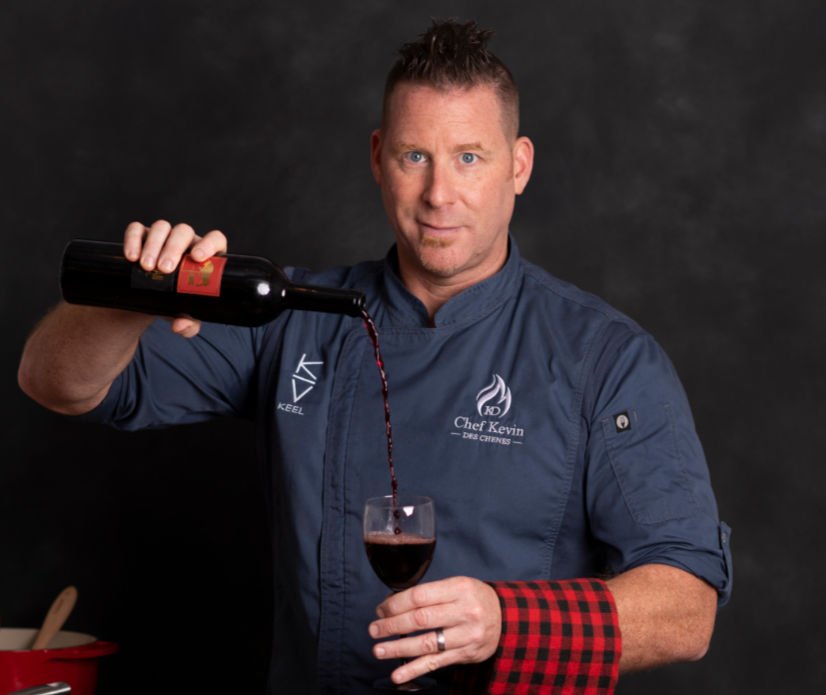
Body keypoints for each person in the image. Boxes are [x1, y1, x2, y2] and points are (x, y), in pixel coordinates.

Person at [18, 19, 731, 695]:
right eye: (414, 156)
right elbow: (57, 383)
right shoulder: (289, 316)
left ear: (518, 166)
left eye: (469, 158)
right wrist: (127, 297)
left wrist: (507, 621)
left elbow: (687, 607)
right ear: (377, 158)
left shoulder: (605, 357)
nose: (438, 194)